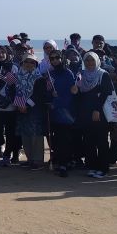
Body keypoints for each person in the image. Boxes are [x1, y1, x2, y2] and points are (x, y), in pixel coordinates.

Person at [74, 51, 116, 178]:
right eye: (87, 60)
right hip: (85, 113)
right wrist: (75, 91)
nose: (90, 63)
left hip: (100, 112)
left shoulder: (103, 74)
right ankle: (92, 166)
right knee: (89, 141)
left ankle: (103, 168)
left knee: (102, 141)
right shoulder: (81, 75)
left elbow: (106, 93)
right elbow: (80, 93)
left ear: (97, 61)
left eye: (92, 60)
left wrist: (97, 110)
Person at [46, 49, 77, 177]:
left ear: (61, 58)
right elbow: (47, 92)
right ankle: (59, 160)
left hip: (66, 111)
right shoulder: (50, 74)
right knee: (56, 138)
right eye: (51, 58)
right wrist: (50, 95)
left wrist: (57, 101)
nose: (54, 60)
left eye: (56, 58)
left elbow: (71, 94)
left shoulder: (68, 73)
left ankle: (64, 163)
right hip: (54, 111)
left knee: (65, 138)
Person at [0, 46, 20, 167]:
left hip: (11, 106)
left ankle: (7, 156)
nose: (0, 55)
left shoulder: (13, 67)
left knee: (11, 133)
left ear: (6, 54)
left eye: (3, 52)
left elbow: (17, 86)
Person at [12, 54, 45, 170]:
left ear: (36, 64)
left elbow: (38, 95)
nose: (29, 64)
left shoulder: (39, 77)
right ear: (22, 63)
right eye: (27, 61)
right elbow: (15, 91)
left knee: (36, 135)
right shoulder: (18, 76)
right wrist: (20, 105)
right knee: (25, 135)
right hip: (21, 109)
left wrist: (27, 105)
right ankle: (30, 158)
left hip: (34, 110)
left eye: (32, 62)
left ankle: (38, 160)